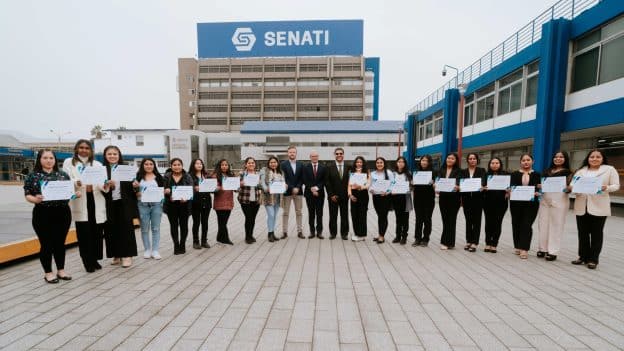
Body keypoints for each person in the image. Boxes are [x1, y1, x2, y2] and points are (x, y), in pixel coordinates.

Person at [24, 149, 77, 283]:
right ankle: (48, 272)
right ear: (39, 160)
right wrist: (35, 199)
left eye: (51, 158)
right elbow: (27, 194)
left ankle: (61, 270)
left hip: (63, 212)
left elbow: (70, 193)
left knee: (60, 243)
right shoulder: (33, 176)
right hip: (43, 214)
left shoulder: (63, 175)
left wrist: (75, 195)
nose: (48, 161)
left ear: (55, 160)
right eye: (45, 158)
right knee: (46, 244)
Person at [63, 139, 109, 272]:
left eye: (87, 148)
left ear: (91, 150)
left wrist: (105, 185)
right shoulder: (69, 162)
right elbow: (67, 178)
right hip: (81, 199)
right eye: (81, 147)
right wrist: (76, 182)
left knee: (96, 233)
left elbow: (102, 182)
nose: (84, 150)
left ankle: (94, 259)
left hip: (95, 199)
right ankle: (87, 262)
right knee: (84, 234)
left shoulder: (98, 164)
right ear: (76, 149)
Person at [571, 149, 620, 269]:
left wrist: (606, 187)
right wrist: (574, 188)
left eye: (598, 157)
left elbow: (616, 186)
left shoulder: (609, 169)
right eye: (592, 157)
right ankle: (583, 257)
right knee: (582, 233)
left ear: (602, 158)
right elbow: (573, 185)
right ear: (588, 158)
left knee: (596, 234)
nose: (594, 159)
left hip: (599, 206)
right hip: (582, 205)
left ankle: (593, 259)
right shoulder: (581, 171)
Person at [102, 145, 138, 268]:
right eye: (109, 154)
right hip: (108, 204)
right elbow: (99, 188)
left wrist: (135, 185)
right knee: (111, 230)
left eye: (115, 154)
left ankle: (127, 255)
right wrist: (107, 185)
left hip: (124, 203)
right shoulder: (102, 170)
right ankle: (116, 255)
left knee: (126, 229)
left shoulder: (126, 169)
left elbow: (133, 188)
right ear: (105, 156)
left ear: (119, 155)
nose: (112, 156)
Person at [537, 151, 572, 261]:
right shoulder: (547, 171)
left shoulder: (569, 173)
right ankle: (543, 249)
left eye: (561, 157)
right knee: (543, 224)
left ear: (565, 159)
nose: (558, 159)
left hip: (560, 199)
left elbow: (570, 187)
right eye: (556, 157)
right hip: (545, 199)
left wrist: (568, 188)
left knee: (556, 225)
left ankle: (553, 251)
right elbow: (541, 185)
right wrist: (539, 186)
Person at [509, 154, 541, 259]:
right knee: (516, 224)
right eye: (523, 160)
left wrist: (538, 192)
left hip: (531, 205)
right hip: (516, 204)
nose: (526, 162)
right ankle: (517, 246)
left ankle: (524, 249)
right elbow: (511, 186)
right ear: (520, 162)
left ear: (533, 161)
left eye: (528, 160)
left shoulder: (537, 174)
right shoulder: (514, 174)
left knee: (527, 225)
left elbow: (540, 188)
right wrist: (509, 190)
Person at [133, 158, 164, 260]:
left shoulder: (159, 177)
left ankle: (155, 250)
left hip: (156, 205)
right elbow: (134, 192)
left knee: (156, 228)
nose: (149, 166)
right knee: (144, 229)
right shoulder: (138, 177)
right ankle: (147, 249)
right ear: (142, 165)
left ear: (154, 166)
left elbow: (162, 191)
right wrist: (136, 191)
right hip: (142, 205)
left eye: (151, 164)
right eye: (146, 164)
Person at [163, 158, 193, 254]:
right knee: (174, 226)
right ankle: (176, 245)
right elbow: (162, 190)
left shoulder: (187, 176)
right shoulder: (167, 176)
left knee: (184, 226)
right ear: (171, 166)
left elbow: (191, 190)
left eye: (179, 164)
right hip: (171, 205)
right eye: (174, 165)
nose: (177, 166)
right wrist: (166, 193)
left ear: (182, 165)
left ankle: (182, 244)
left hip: (184, 205)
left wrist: (187, 198)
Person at [460, 153, 486, 252]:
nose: (472, 160)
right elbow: (460, 183)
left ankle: (475, 242)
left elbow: (484, 182)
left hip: (478, 199)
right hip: (466, 199)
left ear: (477, 160)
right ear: (467, 160)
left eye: (474, 158)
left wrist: (483, 186)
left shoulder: (481, 170)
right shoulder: (463, 171)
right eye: (470, 159)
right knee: (468, 221)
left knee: (477, 221)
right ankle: (468, 241)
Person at [482, 157, 508, 253]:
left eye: (497, 163)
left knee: (498, 223)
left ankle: (494, 244)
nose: (494, 165)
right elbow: (482, 186)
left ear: (500, 164)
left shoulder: (505, 175)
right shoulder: (486, 174)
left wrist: (508, 190)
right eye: (492, 163)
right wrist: (483, 188)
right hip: (488, 202)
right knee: (488, 223)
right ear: (489, 164)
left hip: (501, 203)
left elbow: (510, 187)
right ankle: (488, 243)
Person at [437, 153, 461, 250]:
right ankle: (448, 242)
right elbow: (437, 181)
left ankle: (446, 242)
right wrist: (435, 185)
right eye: (448, 158)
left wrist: (458, 186)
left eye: (452, 158)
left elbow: (460, 183)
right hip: (443, 198)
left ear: (455, 160)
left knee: (451, 220)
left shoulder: (459, 171)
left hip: (454, 199)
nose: (450, 160)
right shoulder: (441, 170)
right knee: (445, 220)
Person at [325, 147, 350, 240]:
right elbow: (327, 182)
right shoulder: (329, 167)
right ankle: (333, 233)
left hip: (344, 196)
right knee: (333, 215)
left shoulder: (348, 167)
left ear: (343, 155)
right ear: (334, 155)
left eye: (341, 153)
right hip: (333, 197)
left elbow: (350, 181)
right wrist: (331, 195)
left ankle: (344, 234)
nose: (339, 155)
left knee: (344, 215)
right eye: (337, 154)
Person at [412, 155, 436, 247]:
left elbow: (437, 184)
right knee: (418, 219)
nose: (424, 162)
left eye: (426, 161)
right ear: (420, 161)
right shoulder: (416, 172)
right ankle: (417, 238)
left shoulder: (434, 173)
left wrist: (434, 183)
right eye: (422, 160)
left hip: (429, 199)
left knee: (427, 219)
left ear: (429, 162)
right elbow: (412, 186)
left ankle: (426, 238)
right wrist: (412, 183)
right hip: (418, 199)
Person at [280, 146, 304, 239]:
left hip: (298, 192)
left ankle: (299, 231)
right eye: (290, 152)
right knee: (285, 213)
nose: (292, 154)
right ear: (287, 153)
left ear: (296, 153)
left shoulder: (301, 164)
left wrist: (297, 187)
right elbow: (283, 178)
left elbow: (302, 178)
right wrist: (291, 187)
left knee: (299, 212)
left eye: (293, 152)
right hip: (287, 192)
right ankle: (284, 232)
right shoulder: (283, 164)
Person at [303, 150, 326, 239]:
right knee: (311, 213)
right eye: (313, 156)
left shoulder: (323, 167)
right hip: (309, 194)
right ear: (310, 157)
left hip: (320, 194)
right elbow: (305, 179)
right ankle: (312, 232)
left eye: (316, 156)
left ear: (318, 157)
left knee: (320, 214)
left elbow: (324, 180)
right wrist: (312, 189)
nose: (314, 158)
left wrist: (317, 188)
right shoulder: (306, 167)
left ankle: (319, 232)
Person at [238, 157, 262, 244]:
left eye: (252, 163)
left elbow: (261, 187)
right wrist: (240, 184)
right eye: (249, 163)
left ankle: (251, 235)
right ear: (246, 164)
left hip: (256, 200)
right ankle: (247, 237)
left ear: (255, 164)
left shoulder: (258, 174)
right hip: (245, 200)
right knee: (248, 217)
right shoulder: (242, 174)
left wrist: (260, 184)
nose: (251, 164)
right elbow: (236, 188)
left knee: (253, 218)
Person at [189, 158, 211, 249]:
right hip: (195, 202)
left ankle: (204, 241)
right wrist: (194, 189)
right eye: (197, 163)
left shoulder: (206, 175)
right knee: (196, 222)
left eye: (201, 163)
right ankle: (196, 241)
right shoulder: (189, 176)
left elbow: (211, 186)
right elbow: (186, 188)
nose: (199, 165)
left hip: (207, 201)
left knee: (205, 222)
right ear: (193, 165)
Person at [260, 156, 284, 242]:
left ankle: (273, 233)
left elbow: (283, 183)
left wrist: (285, 186)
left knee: (274, 216)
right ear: (268, 163)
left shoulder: (280, 172)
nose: (273, 164)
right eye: (271, 162)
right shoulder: (264, 170)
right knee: (271, 215)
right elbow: (262, 182)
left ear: (277, 163)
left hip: (277, 197)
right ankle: (269, 233)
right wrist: (267, 189)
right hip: (268, 197)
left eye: (275, 162)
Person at [370, 157, 393, 244]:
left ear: (384, 163)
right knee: (380, 216)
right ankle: (380, 234)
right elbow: (370, 184)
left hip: (385, 197)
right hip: (376, 197)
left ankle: (382, 236)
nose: (379, 164)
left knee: (383, 216)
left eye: (381, 162)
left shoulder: (389, 173)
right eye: (378, 163)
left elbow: (392, 184)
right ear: (375, 164)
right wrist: (371, 189)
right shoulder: (373, 174)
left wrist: (387, 192)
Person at [348, 156, 370, 241]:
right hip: (354, 194)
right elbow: (349, 185)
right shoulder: (351, 172)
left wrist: (361, 187)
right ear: (355, 163)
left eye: (361, 162)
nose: (359, 163)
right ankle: (356, 233)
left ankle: (362, 235)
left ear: (363, 163)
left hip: (363, 194)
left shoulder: (366, 171)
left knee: (362, 215)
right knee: (354, 215)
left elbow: (368, 184)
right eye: (357, 162)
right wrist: (350, 195)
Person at [213, 159, 235, 245]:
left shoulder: (231, 175)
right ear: (219, 166)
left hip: (229, 201)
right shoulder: (215, 175)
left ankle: (219, 237)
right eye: (222, 165)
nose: (224, 166)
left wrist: (237, 187)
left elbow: (235, 188)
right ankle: (225, 238)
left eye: (226, 165)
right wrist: (219, 188)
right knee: (222, 221)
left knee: (224, 221)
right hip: (219, 202)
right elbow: (213, 189)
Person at [391, 156, 412, 245]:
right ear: (396, 163)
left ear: (405, 164)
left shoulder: (408, 173)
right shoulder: (393, 174)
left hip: (405, 198)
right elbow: (390, 185)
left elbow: (411, 187)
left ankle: (404, 237)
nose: (401, 163)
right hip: (396, 198)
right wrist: (391, 191)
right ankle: (397, 236)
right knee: (398, 218)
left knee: (405, 219)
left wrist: (410, 187)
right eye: (399, 161)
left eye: (402, 162)